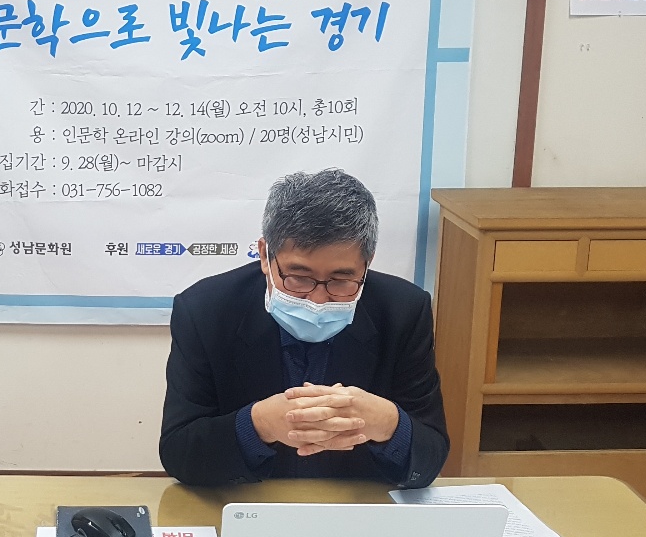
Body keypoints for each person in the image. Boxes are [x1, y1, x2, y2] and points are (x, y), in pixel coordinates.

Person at [159, 169, 447, 488]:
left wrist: (389, 423)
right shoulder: (206, 310)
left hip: (358, 505)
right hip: (247, 501)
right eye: (298, 278)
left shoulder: (403, 311)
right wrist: (258, 425)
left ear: (367, 264)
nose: (318, 299)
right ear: (266, 255)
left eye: (341, 280)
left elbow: (431, 457)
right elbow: (178, 451)